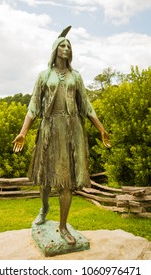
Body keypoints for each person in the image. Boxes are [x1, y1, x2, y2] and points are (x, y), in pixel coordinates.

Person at [13, 26, 110, 246]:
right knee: (46, 178)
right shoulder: (44, 76)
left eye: (68, 46)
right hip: (49, 129)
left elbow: (86, 106)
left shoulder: (76, 77)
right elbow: (33, 107)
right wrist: (23, 132)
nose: (65, 48)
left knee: (66, 182)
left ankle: (64, 227)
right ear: (55, 49)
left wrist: (102, 129)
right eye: (62, 45)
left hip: (70, 131)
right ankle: (45, 207)